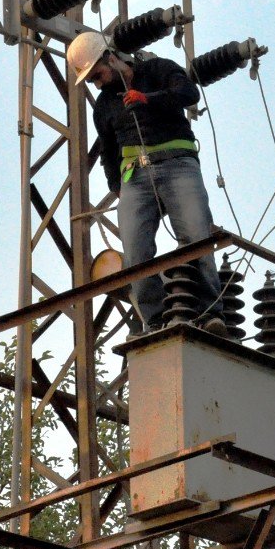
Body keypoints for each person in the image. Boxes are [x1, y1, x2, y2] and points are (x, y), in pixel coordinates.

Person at [67, 32, 227, 337]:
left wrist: (148, 99)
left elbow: (189, 94)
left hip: (178, 164)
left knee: (196, 237)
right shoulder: (103, 106)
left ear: (110, 58)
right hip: (135, 178)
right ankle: (154, 321)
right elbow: (108, 151)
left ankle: (210, 315)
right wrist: (118, 186)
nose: (97, 83)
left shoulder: (157, 70)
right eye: (91, 80)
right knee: (135, 256)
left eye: (97, 75)